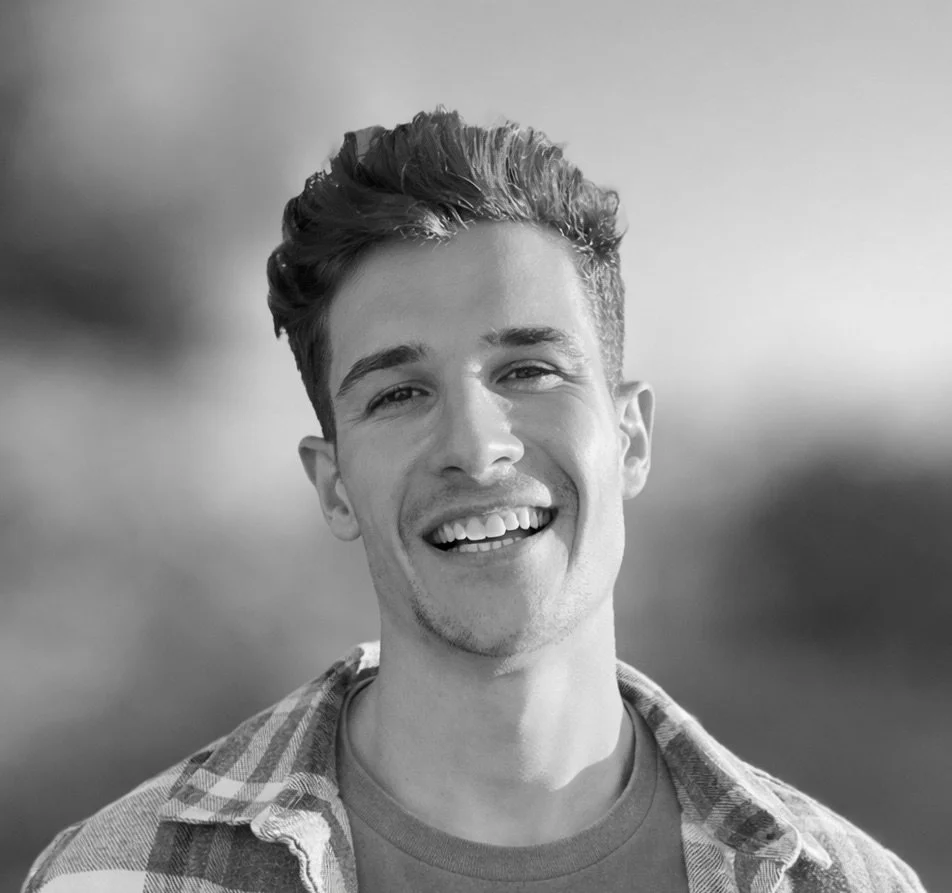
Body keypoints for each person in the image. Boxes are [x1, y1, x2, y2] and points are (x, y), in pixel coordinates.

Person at [22, 109, 926, 893]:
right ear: (334, 486)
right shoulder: (114, 877)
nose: (476, 445)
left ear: (631, 437)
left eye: (528, 370)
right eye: (398, 393)